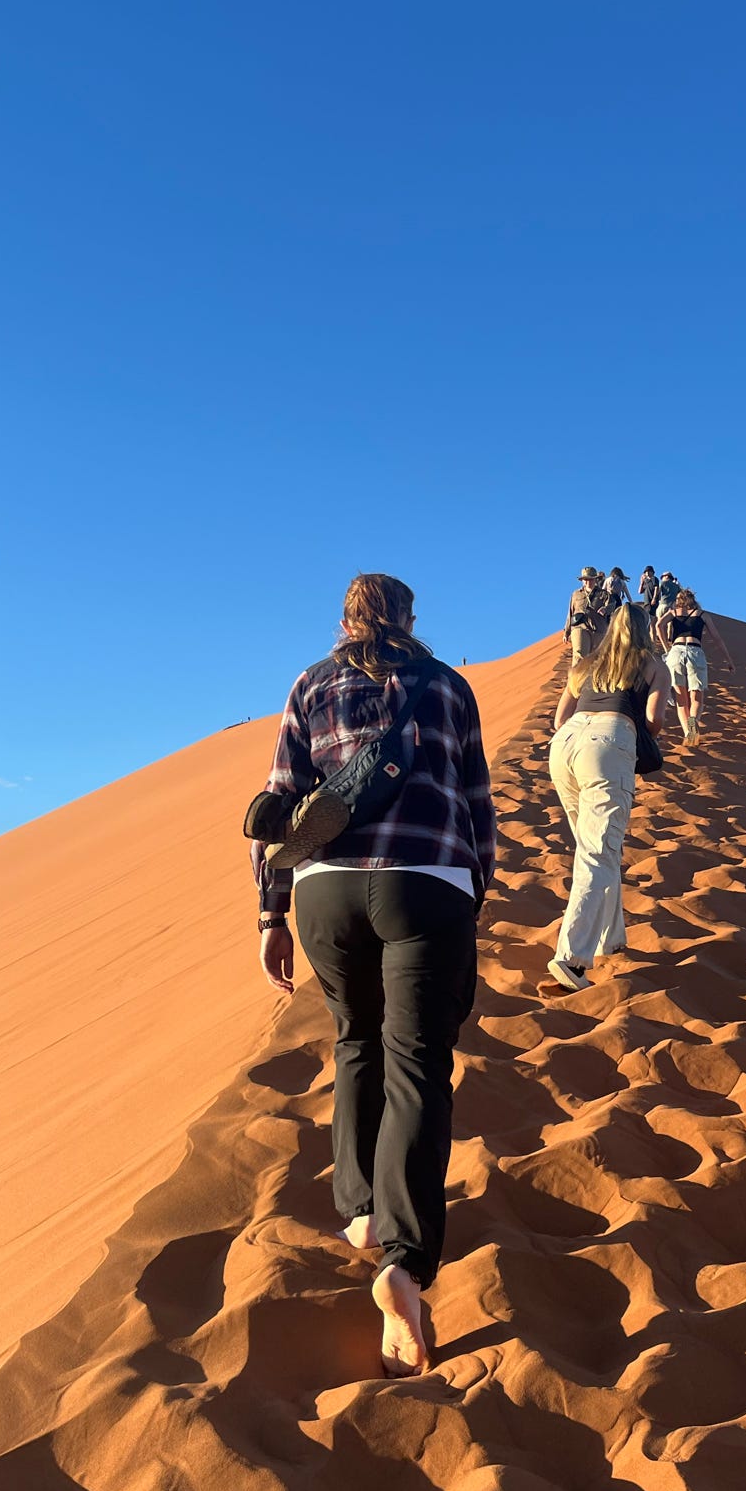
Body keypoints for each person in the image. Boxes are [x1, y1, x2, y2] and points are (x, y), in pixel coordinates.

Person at [253, 573, 496, 1376]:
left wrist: (270, 914)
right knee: (418, 1065)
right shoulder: (448, 688)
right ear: (410, 618)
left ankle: (357, 1209)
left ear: (346, 619)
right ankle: (406, 1261)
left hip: (324, 890)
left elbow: (281, 804)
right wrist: (473, 890)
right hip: (426, 880)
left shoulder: (308, 686)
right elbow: (476, 801)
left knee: (355, 1040)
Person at [547, 603, 670, 992]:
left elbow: (557, 719)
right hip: (609, 742)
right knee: (597, 852)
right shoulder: (653, 665)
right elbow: (655, 722)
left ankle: (609, 939)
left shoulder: (585, 665)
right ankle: (571, 959)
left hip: (565, 745)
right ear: (645, 629)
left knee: (597, 846)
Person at [657, 587, 734, 744]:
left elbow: (659, 625)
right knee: (697, 697)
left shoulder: (673, 613)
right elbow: (717, 638)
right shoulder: (702, 615)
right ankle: (693, 722)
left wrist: (666, 647)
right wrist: (728, 659)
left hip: (676, 653)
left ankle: (688, 733)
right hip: (695, 653)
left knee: (681, 700)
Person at [564, 566, 609, 663]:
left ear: (595, 579)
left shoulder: (603, 594)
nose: (587, 582)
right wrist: (566, 632)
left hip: (598, 630)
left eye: (590, 579)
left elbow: (612, 605)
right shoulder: (576, 594)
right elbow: (570, 613)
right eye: (585, 579)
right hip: (580, 627)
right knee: (579, 656)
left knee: (598, 661)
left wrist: (605, 609)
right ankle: (577, 678)